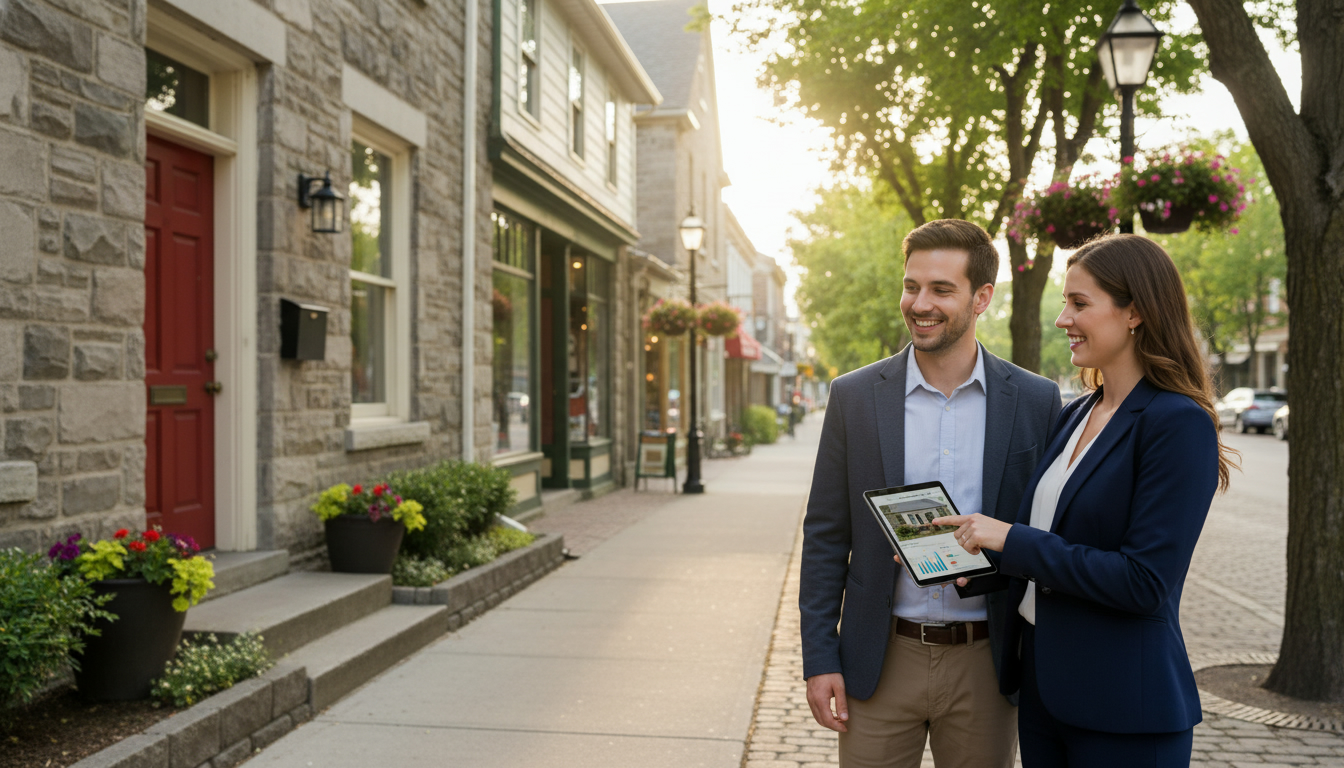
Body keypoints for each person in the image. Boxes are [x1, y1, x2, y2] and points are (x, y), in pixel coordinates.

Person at [935, 234, 1237, 767]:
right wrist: (963, 556)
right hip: (1045, 693)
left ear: (1135, 312)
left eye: (1080, 303)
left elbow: (1144, 582)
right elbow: (1058, 545)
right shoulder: (1076, 413)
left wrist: (1009, 537)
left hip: (1124, 710)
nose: (1062, 319)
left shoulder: (1178, 423)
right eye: (1063, 303)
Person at [799, 219, 1061, 767]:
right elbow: (825, 536)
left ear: (981, 297)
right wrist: (820, 658)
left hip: (987, 664)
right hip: (879, 659)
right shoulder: (854, 397)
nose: (921, 303)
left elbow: (1048, 536)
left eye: (942, 289)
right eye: (912, 285)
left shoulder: (1036, 401)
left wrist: (994, 561)